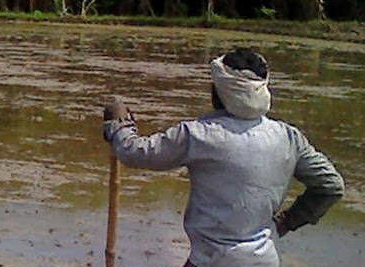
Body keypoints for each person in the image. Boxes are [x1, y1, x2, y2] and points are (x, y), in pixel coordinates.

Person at [103, 48, 343, 267]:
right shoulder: (288, 137)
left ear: (219, 91)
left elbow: (135, 153)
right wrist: (286, 222)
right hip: (265, 260)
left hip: (211, 260)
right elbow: (331, 186)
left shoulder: (198, 135)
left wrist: (120, 125)